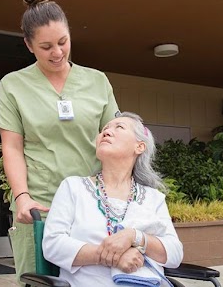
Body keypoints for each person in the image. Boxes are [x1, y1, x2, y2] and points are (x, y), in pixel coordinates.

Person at [0, 0, 120, 280]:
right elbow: (11, 148)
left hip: (93, 203)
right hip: (40, 206)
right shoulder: (13, 85)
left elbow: (113, 138)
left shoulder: (97, 81)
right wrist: (22, 196)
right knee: (41, 281)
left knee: (94, 279)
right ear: (29, 45)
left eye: (63, 42)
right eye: (46, 46)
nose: (58, 52)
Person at [43, 112, 183, 286]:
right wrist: (114, 256)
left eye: (119, 127)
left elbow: (175, 254)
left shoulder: (153, 197)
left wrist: (135, 237)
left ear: (139, 147)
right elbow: (52, 245)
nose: (106, 132)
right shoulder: (73, 187)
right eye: (104, 129)